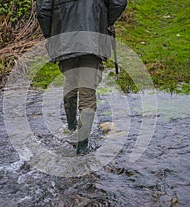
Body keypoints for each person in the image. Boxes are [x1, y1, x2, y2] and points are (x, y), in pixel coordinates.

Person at [36, 0, 127, 154]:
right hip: (93, 41)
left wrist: (52, 34)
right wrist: (102, 21)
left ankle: (71, 127)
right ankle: (82, 148)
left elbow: (43, 11)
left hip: (64, 40)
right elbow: (119, 3)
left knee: (70, 81)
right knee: (88, 94)